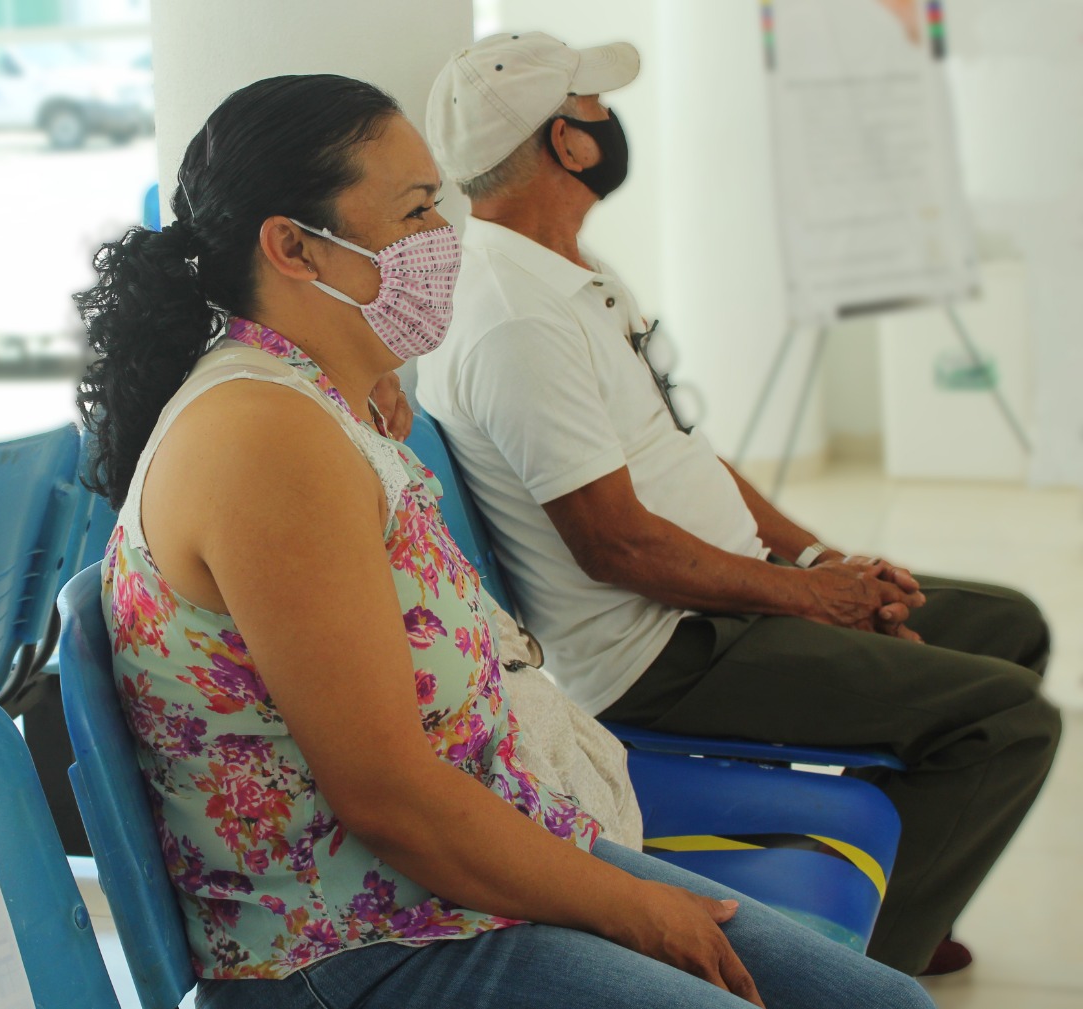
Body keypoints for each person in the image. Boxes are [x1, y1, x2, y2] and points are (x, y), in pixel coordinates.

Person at [74, 71, 934, 1008]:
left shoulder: (314, 400)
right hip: (358, 944)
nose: (444, 239)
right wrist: (635, 908)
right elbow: (390, 798)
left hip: (454, 880)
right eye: (414, 212)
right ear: (293, 247)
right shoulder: (265, 440)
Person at [417, 31, 1061, 978]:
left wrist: (824, 564)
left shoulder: (572, 274)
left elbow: (685, 451)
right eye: (594, 106)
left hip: (723, 602)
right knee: (1005, 722)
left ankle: (899, 892)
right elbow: (617, 547)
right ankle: (860, 977)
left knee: (1011, 626)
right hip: (666, 652)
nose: (608, 119)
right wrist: (811, 599)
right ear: (568, 142)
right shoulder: (516, 319)